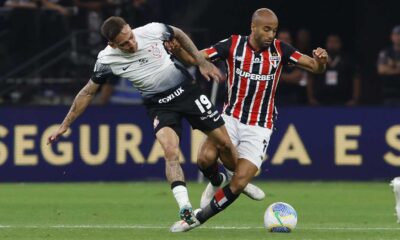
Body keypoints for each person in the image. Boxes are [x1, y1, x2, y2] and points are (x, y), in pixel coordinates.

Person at [46, 16, 262, 227]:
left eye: (130, 36)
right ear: (111, 44)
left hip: (188, 94)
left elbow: (177, 33)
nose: (131, 43)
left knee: (224, 144)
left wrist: (201, 61)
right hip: (159, 106)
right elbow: (87, 93)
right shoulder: (106, 60)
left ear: (130, 28)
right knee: (170, 150)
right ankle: (185, 206)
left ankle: (236, 181)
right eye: (124, 43)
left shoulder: (151, 31)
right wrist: (65, 125)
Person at [167, 8, 328, 232]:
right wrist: (178, 51)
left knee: (240, 181)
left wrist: (321, 61)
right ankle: (216, 181)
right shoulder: (233, 45)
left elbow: (314, 67)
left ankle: (198, 218)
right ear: (253, 27)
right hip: (230, 118)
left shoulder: (281, 50)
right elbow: (196, 58)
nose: (272, 35)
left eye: (274, 30)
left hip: (260, 126)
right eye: (267, 29)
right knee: (205, 159)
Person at [307, 34, 360, 106]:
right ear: (326, 44)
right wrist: (311, 98)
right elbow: (310, 78)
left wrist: (354, 98)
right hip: (321, 101)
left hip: (344, 101)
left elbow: (355, 78)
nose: (332, 45)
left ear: (340, 44)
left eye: (335, 42)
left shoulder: (348, 60)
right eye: (330, 42)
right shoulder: (318, 60)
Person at [377, 25, 400, 106]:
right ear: (392, 37)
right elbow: (381, 70)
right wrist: (397, 67)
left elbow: (386, 69)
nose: (398, 37)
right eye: (396, 35)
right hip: (389, 94)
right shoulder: (386, 52)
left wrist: (391, 65)